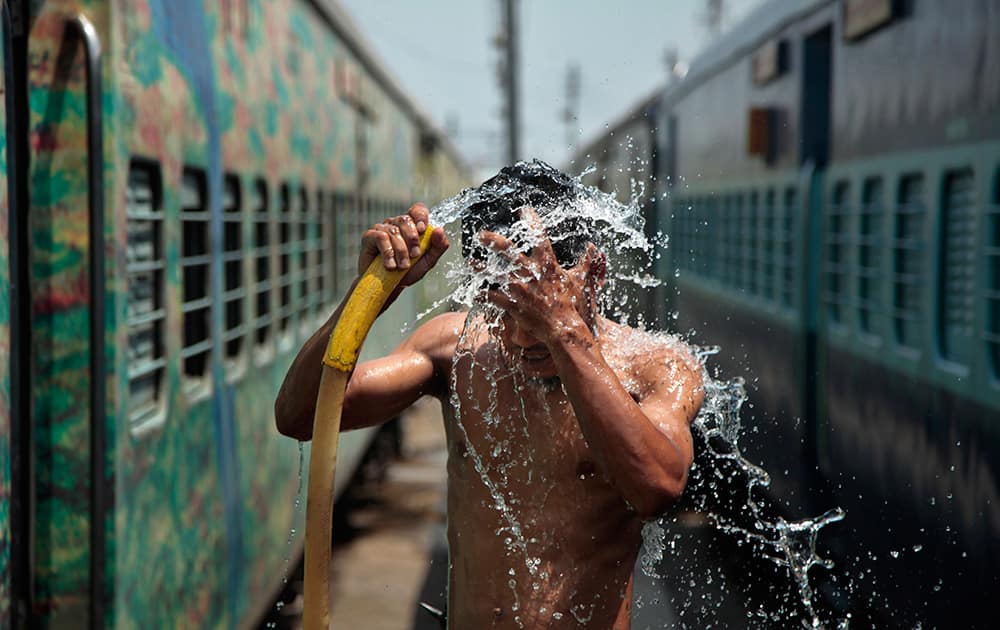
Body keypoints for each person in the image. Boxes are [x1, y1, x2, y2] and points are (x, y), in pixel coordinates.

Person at [275, 172, 705, 629]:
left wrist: (566, 334)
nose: (521, 335)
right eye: (501, 306)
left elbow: (657, 487)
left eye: (540, 306)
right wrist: (369, 297)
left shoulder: (656, 366)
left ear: (594, 274)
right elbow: (300, 415)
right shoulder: (455, 352)